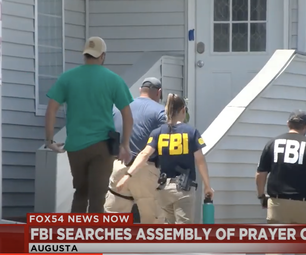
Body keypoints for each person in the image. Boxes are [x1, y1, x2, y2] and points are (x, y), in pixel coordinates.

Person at [44, 36, 134, 213]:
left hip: (76, 145)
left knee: (80, 193)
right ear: (103, 56)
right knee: (97, 197)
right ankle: (94, 239)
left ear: (85, 55)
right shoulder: (113, 79)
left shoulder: (67, 78)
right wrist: (125, 144)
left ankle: (75, 237)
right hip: (102, 146)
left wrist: (49, 140)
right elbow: (127, 115)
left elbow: (51, 110)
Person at [115, 94, 214, 224]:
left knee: (169, 232)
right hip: (183, 190)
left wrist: (127, 176)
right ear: (183, 110)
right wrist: (207, 186)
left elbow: (144, 154)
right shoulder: (191, 132)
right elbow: (200, 160)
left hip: (164, 189)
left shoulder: (158, 133)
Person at [256, 110, 306, 224]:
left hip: (277, 203)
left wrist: (261, 196)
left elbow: (260, 174)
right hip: (302, 203)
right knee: (301, 240)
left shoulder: (272, 144)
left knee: (279, 239)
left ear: (288, 124)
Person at [105, 77, 166, 224]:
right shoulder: (161, 112)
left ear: (140, 90)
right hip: (146, 170)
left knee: (113, 222)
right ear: (159, 92)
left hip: (118, 167)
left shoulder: (117, 108)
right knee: (152, 224)